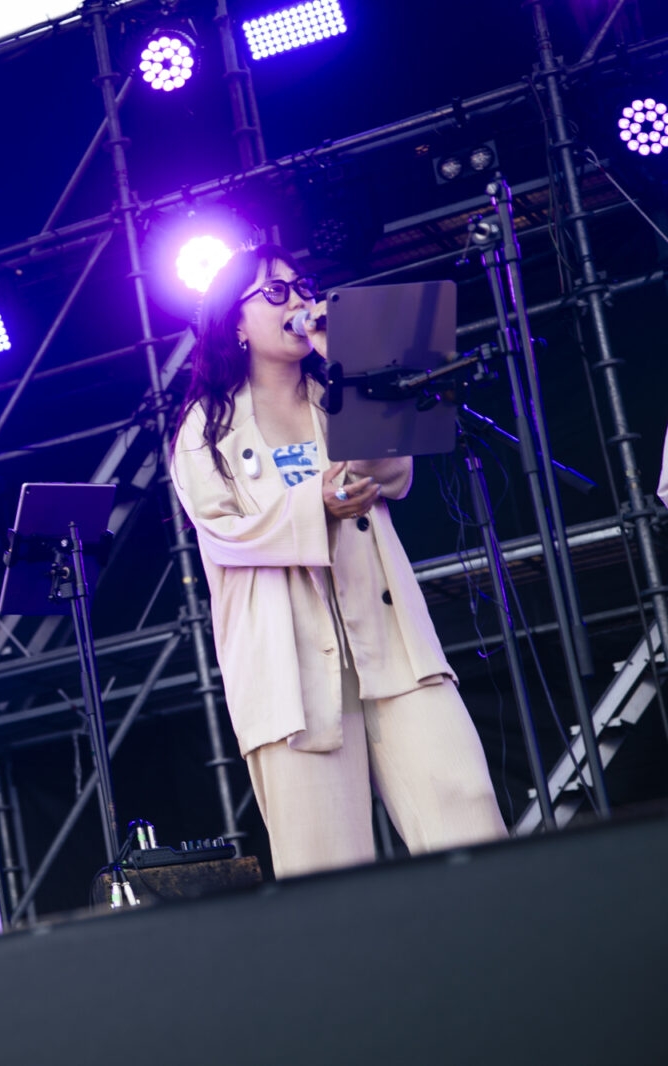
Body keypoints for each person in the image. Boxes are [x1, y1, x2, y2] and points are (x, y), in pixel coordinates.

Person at [169, 245, 508, 879]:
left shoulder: (338, 393)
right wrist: (315, 504)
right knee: (326, 866)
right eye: (275, 293)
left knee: (466, 808)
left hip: (389, 641)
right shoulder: (205, 429)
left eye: (302, 288)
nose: (299, 302)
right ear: (235, 324)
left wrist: (348, 362)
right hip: (287, 666)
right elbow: (224, 536)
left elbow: (392, 471)